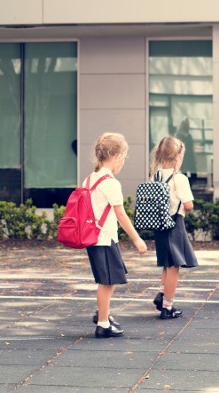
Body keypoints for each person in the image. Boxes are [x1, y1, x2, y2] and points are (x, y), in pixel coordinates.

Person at [86, 132, 147, 338]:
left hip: (95, 237)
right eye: (124, 158)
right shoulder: (110, 182)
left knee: (107, 280)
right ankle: (103, 324)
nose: (123, 163)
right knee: (107, 282)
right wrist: (137, 239)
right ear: (116, 156)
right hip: (104, 238)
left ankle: (103, 314)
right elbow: (120, 214)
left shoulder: (91, 178)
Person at [150, 136, 199, 319]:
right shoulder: (180, 179)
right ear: (178, 156)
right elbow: (188, 205)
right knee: (174, 267)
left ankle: (162, 295)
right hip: (174, 224)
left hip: (159, 224)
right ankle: (167, 306)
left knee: (167, 263)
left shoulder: (155, 176)